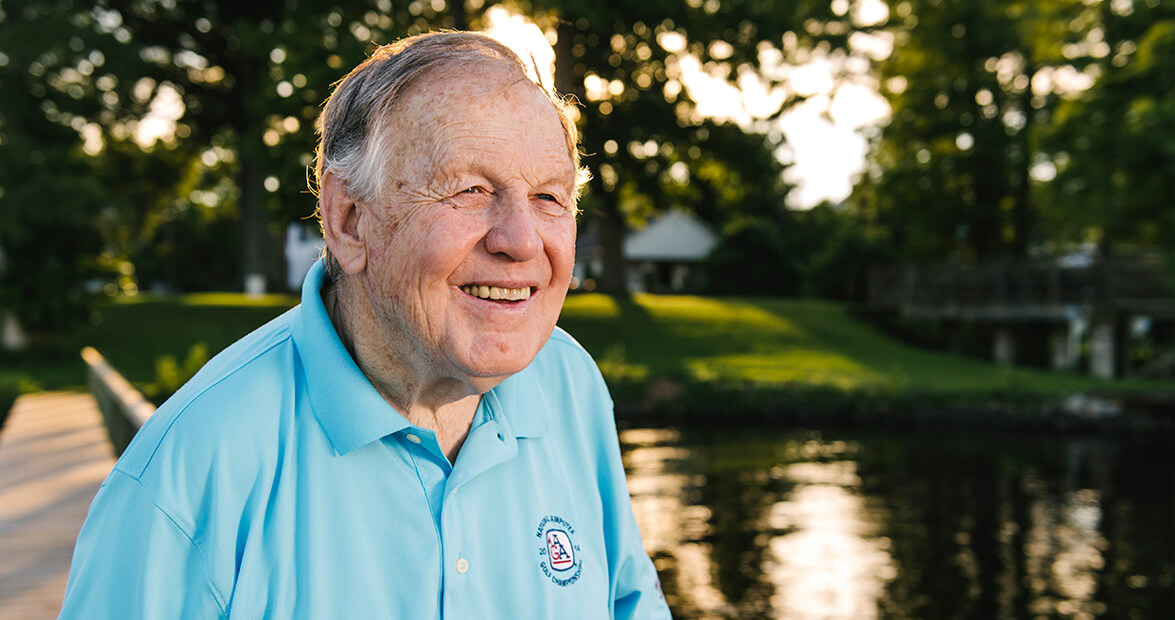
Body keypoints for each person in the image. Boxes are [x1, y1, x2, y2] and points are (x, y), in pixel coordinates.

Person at [59, 32, 671, 619]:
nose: (520, 239)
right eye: (469, 189)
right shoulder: (189, 471)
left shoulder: (569, 382)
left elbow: (628, 601)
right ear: (349, 222)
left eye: (549, 197)